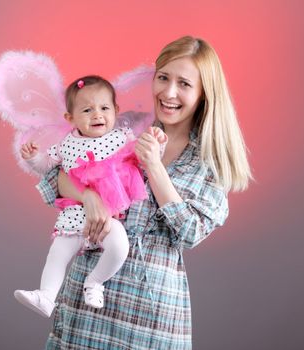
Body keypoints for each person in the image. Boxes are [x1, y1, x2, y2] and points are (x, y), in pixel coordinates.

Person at [37, 36, 252, 349]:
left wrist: (154, 165)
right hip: (87, 303)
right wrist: (90, 197)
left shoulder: (208, 159)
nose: (169, 92)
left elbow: (190, 232)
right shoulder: (124, 128)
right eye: (163, 78)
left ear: (205, 93)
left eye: (184, 84)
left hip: (148, 316)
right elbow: (59, 176)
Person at [14, 75, 167, 318]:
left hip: (109, 215)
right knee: (57, 254)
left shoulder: (121, 137)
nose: (97, 115)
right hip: (76, 213)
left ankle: (95, 281)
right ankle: (46, 295)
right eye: (87, 110)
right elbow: (46, 166)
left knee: (119, 247)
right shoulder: (66, 144)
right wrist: (33, 158)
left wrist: (157, 144)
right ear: (70, 118)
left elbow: (143, 158)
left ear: (116, 110)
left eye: (104, 108)